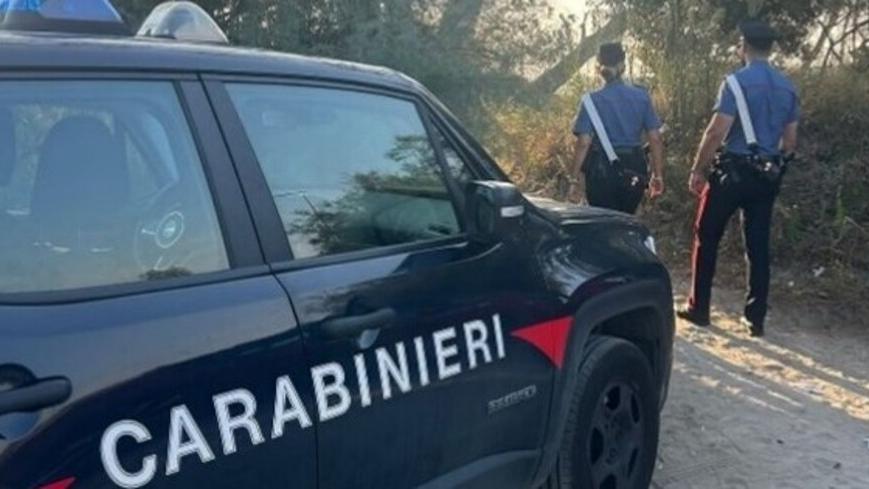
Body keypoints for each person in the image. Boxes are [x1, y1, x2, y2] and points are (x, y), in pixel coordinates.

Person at [678, 20, 800, 337]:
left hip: (730, 172)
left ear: (743, 46)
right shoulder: (788, 87)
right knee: (758, 245)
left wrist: (698, 169)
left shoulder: (734, 83)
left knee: (706, 235)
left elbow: (717, 130)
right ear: (770, 49)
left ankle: (699, 307)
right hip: (766, 175)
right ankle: (755, 318)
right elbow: (790, 143)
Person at [570, 42, 665, 214]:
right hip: (634, 167)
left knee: (604, 222)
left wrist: (574, 179)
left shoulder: (591, 101)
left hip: (601, 171)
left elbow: (583, 143)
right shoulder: (641, 96)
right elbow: (655, 138)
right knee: (626, 219)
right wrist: (657, 175)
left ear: (598, 67)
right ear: (623, 65)